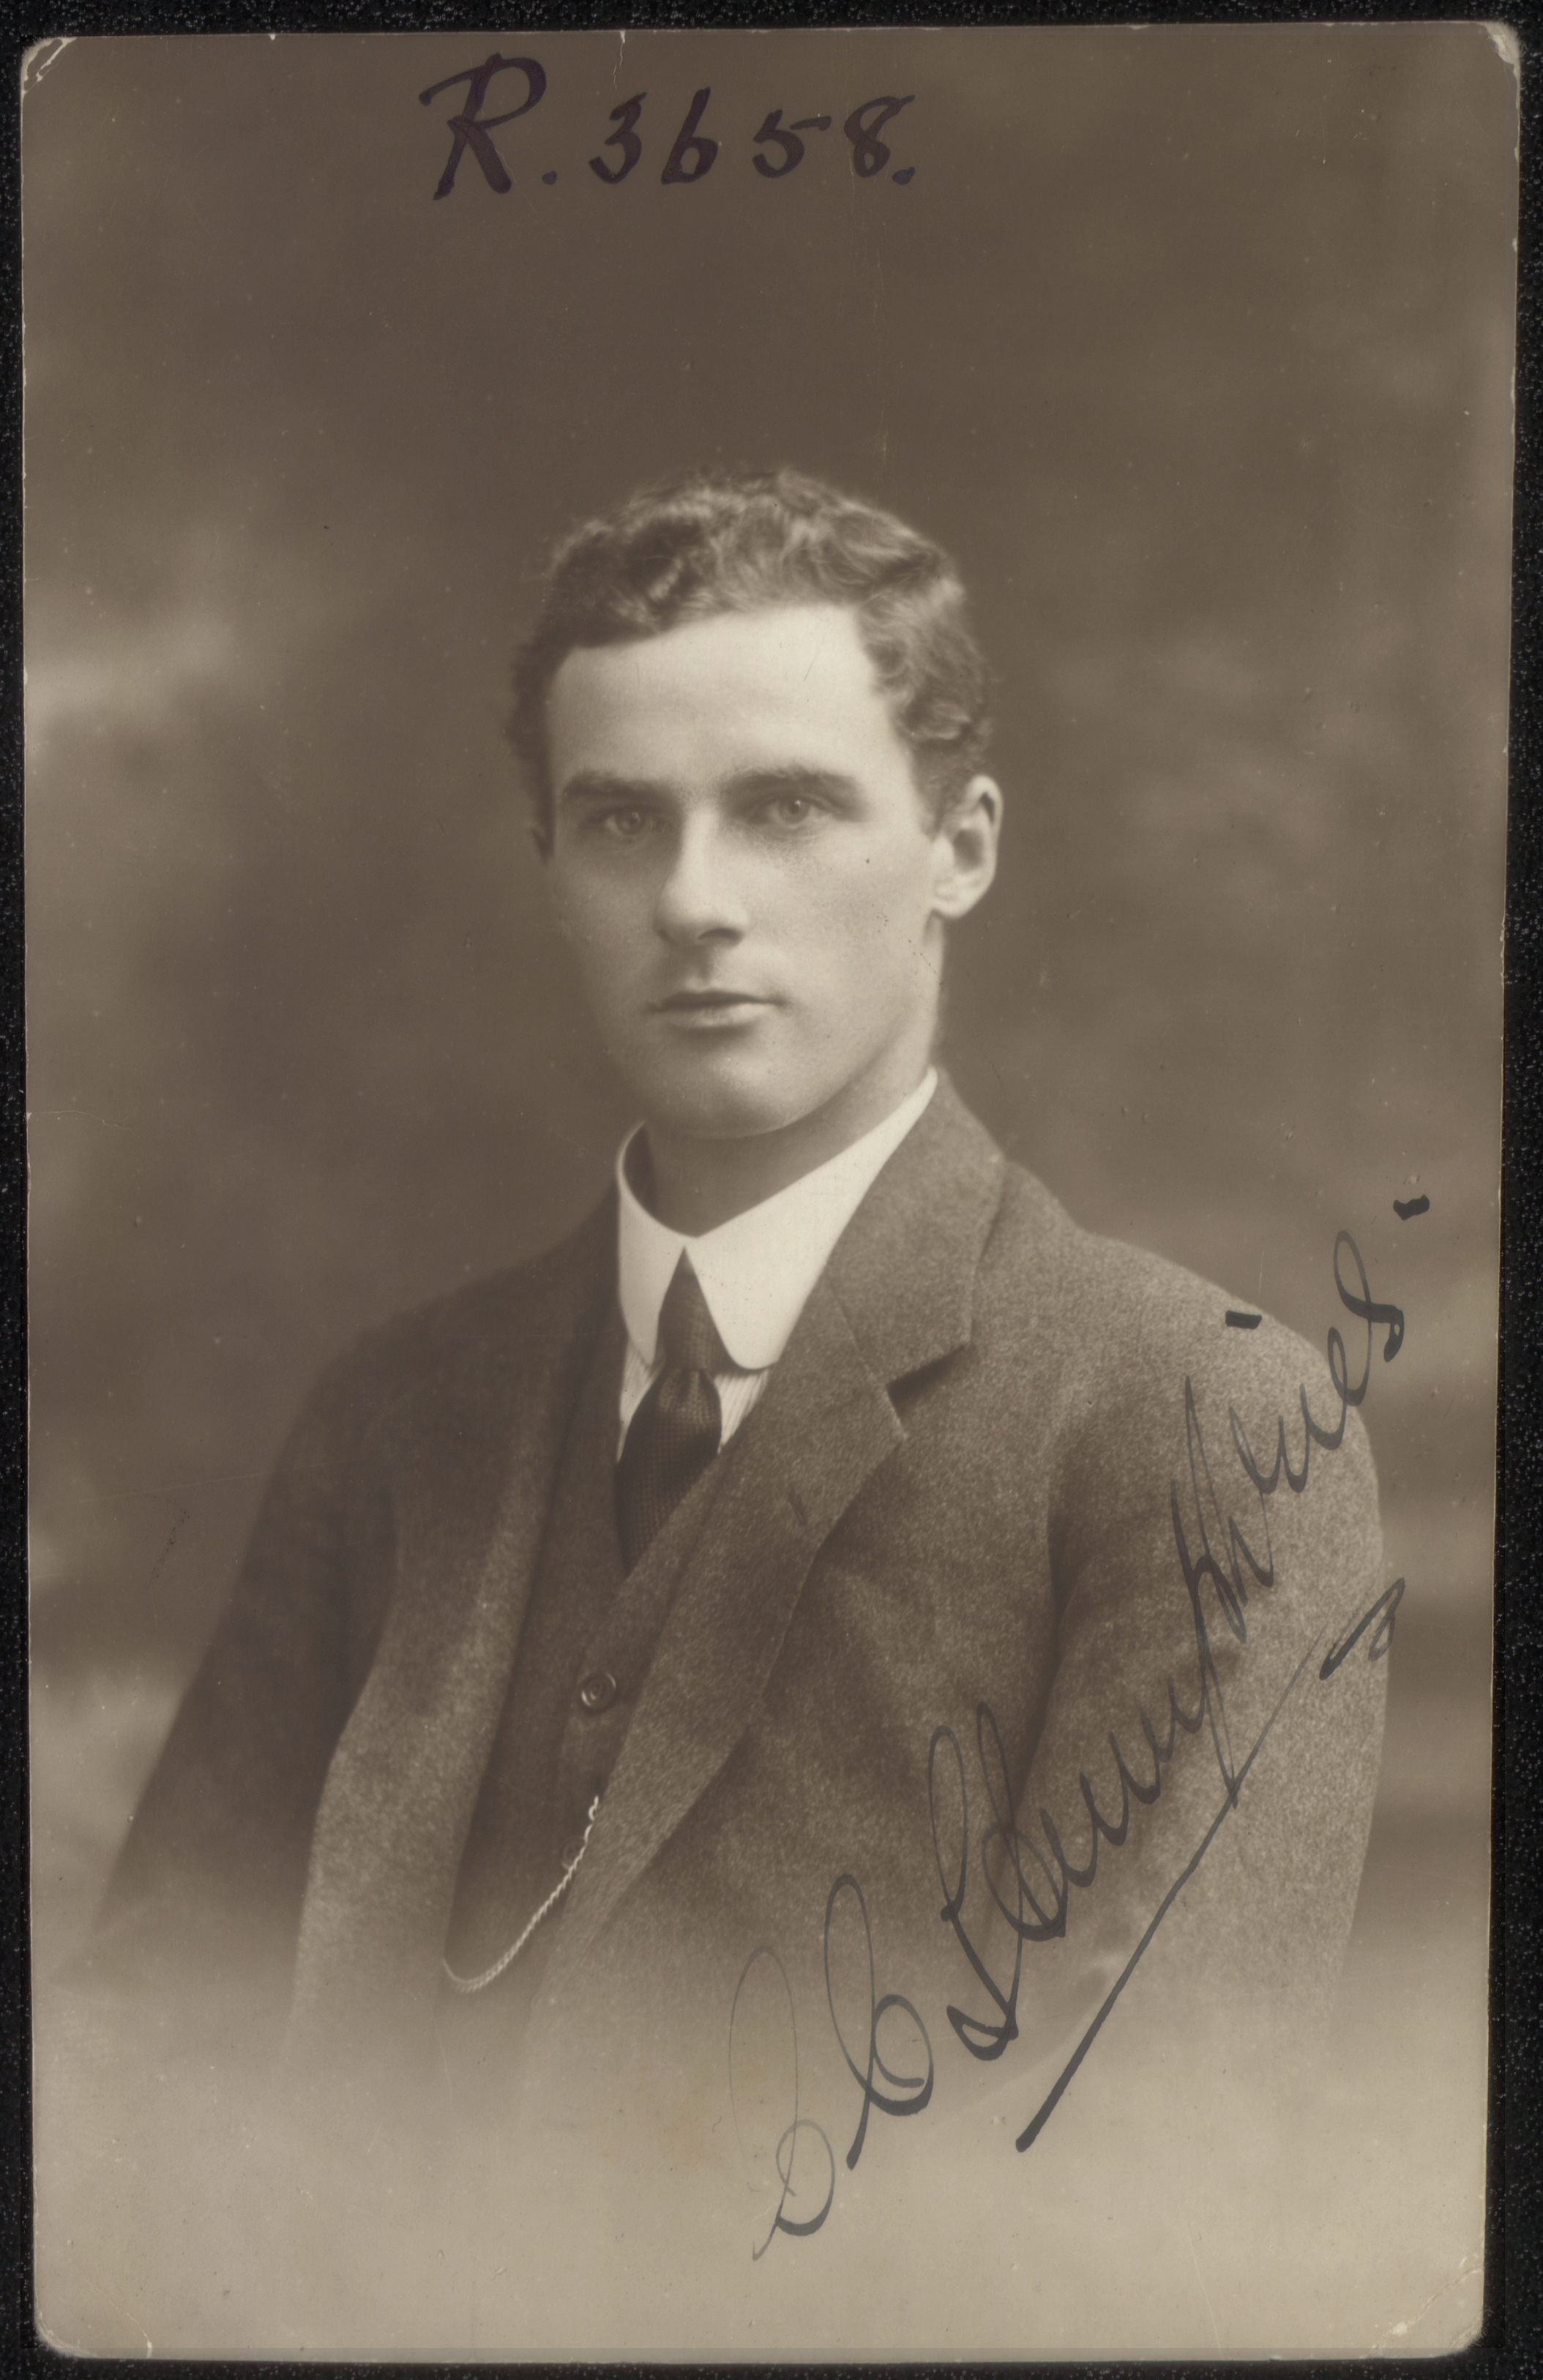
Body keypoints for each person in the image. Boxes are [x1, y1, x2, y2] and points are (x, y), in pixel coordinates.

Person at [68, 468, 1389, 2157]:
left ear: (960, 849)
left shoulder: (1206, 1432)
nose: (694, 900)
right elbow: (147, 2049)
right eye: (623, 821)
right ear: (553, 868)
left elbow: (1134, 2183)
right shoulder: (392, 1417)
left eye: (784, 808)